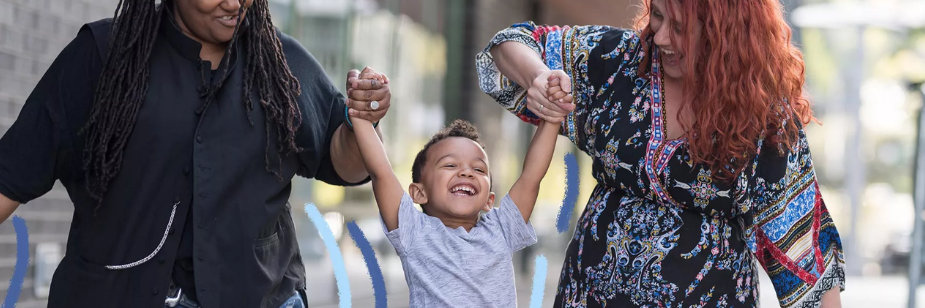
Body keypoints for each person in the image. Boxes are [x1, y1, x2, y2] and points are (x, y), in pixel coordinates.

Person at [0, 0, 391, 307]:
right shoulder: (101, 57)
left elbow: (344, 163)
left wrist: (361, 122)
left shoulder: (282, 65)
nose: (235, 4)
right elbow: (11, 175)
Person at [476, 0, 845, 307]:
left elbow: (805, 258)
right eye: (658, 15)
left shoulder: (765, 117)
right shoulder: (618, 60)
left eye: (681, 28)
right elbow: (509, 43)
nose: (662, 36)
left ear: (725, 34)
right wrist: (539, 76)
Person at [347, 75, 569, 307]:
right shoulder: (413, 232)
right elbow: (381, 172)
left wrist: (552, 117)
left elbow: (532, 176)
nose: (466, 173)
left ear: (488, 200)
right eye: (450, 165)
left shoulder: (501, 229)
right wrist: (360, 113)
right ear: (419, 193)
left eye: (478, 169)